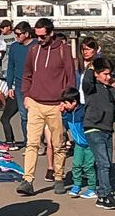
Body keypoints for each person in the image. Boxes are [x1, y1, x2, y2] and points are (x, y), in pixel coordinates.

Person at [18, 19, 76, 195]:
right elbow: (26, 74)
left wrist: (65, 102)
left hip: (56, 105)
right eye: (37, 36)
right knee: (32, 143)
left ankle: (58, 176)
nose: (39, 39)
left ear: (51, 33)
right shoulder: (34, 50)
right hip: (35, 102)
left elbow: (70, 77)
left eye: (42, 36)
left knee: (58, 144)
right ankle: (27, 179)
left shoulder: (63, 51)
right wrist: (26, 95)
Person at [81, 56, 115, 207]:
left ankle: (102, 194)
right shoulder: (91, 87)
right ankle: (106, 194)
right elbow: (86, 81)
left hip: (107, 129)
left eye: (109, 74)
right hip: (93, 127)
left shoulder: (111, 90)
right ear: (96, 74)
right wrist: (91, 69)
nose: (108, 77)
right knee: (103, 163)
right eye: (104, 74)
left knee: (108, 163)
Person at [1, 21, 32, 147]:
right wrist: (9, 86)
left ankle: (38, 141)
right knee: (24, 116)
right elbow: (10, 68)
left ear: (27, 34)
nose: (16, 36)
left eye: (19, 34)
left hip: (34, 85)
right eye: (15, 34)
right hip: (19, 86)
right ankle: (28, 143)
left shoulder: (36, 46)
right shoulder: (14, 47)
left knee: (35, 117)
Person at [62, 87, 97, 198]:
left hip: (89, 144)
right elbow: (65, 125)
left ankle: (92, 188)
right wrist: (62, 114)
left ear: (74, 102)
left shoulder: (84, 111)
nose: (63, 105)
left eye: (66, 103)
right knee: (76, 165)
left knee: (89, 167)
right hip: (78, 144)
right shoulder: (68, 113)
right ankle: (76, 185)